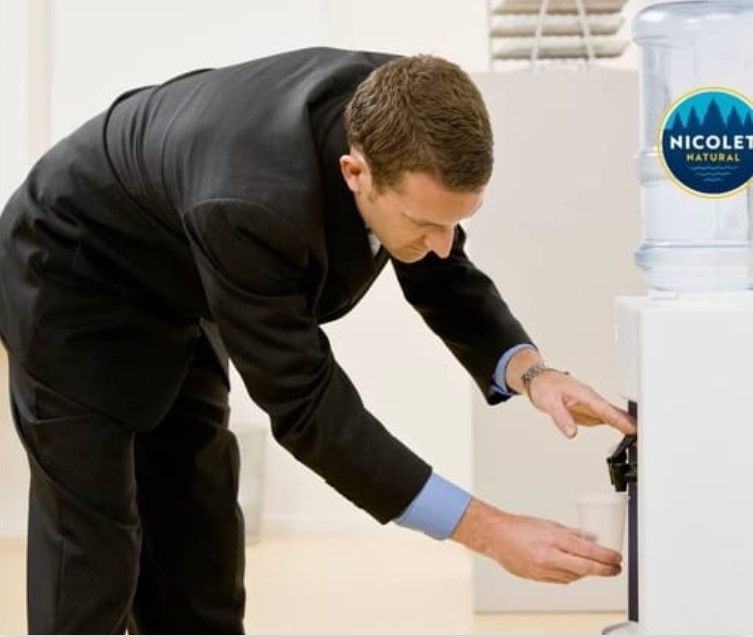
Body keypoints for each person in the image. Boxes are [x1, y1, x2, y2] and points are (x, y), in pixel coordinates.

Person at [0, 47, 637, 634]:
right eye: (424, 224)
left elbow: (443, 274)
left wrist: (534, 374)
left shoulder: (402, 107)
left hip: (180, 278)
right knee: (94, 542)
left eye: (456, 223)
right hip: (73, 273)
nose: (443, 246)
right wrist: (490, 531)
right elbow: (308, 408)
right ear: (354, 171)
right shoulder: (251, 205)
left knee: (199, 527)